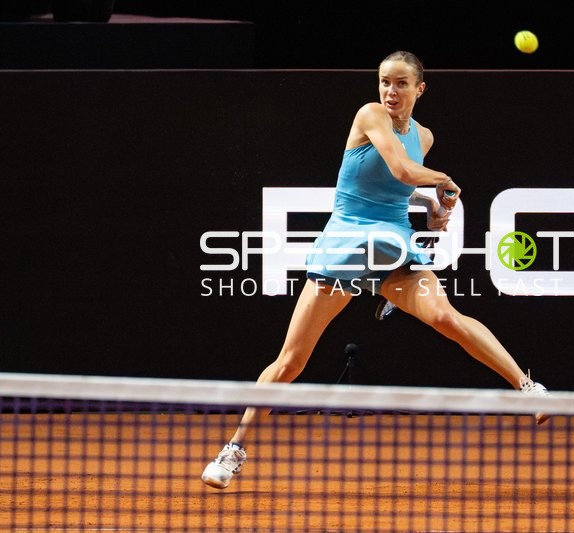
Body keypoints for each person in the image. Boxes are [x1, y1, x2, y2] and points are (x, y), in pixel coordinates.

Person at [201, 51, 550, 490]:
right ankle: (233, 450)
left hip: (393, 245)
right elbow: (403, 171)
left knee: (446, 317)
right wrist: (441, 181)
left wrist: (437, 210)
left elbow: (409, 193)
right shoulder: (369, 115)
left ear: (419, 89)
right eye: (385, 81)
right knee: (291, 361)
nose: (391, 91)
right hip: (347, 243)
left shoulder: (423, 136)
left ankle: (528, 387)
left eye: (402, 83)